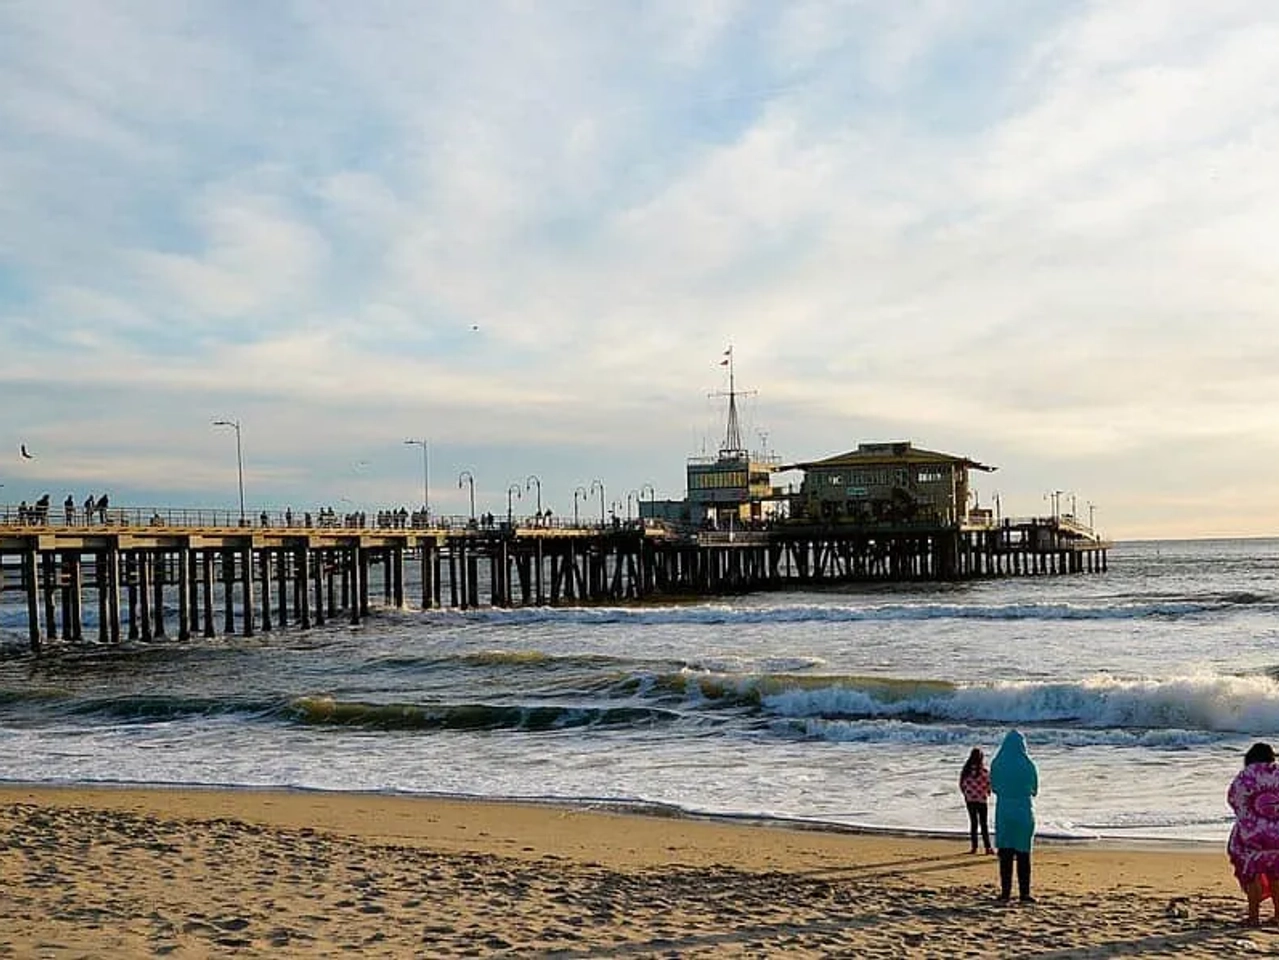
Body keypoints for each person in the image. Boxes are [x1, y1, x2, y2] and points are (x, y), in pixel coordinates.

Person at [1227, 742, 1279, 926]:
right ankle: (1278, 916)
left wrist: (1250, 818)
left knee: (1254, 873)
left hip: (1253, 837)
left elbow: (1233, 799)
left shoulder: (1245, 776)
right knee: (1276, 874)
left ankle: (1254, 918)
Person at [990, 729, 1038, 903]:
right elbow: (1035, 790)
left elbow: (993, 787)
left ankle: (1005, 893)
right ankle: (1025, 893)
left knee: (1006, 855)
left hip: (1004, 811)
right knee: (1024, 855)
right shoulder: (1028, 764)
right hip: (1024, 811)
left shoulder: (997, 763)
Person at [960, 747, 994, 854]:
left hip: (970, 799)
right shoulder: (984, 772)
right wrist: (988, 793)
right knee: (984, 824)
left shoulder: (966, 771)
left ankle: (974, 847)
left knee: (973, 823)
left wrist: (966, 794)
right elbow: (989, 785)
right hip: (981, 800)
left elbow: (962, 784)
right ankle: (987, 847)